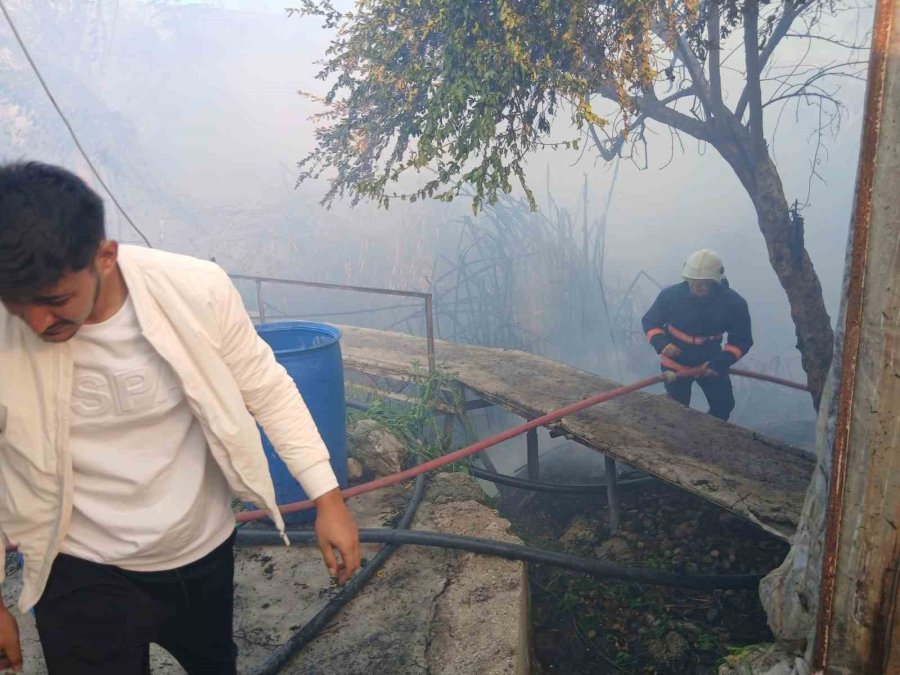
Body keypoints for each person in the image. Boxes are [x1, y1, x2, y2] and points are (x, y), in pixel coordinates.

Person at [0, 162, 361, 674]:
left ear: (104, 257)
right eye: (17, 305)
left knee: (214, 663)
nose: (37, 322)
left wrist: (328, 498)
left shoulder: (196, 290)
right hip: (78, 563)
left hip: (201, 547)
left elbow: (268, 389)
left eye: (55, 301)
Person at [641, 248, 753, 421]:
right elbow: (650, 322)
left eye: (703, 283)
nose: (696, 287)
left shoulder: (733, 304)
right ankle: (677, 441)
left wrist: (721, 362)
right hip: (675, 365)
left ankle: (708, 438)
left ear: (716, 281)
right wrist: (661, 343)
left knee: (723, 405)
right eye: (692, 281)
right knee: (677, 409)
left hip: (710, 365)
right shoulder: (671, 296)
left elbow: (741, 340)